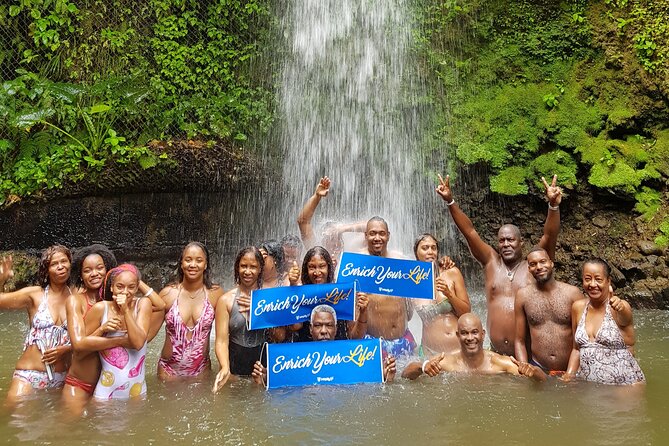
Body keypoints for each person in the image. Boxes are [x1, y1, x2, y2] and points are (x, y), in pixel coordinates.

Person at [435, 174, 562, 355]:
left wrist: (553, 206)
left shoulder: (533, 266)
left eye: (510, 240)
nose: (506, 244)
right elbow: (469, 232)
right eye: (501, 240)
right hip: (494, 353)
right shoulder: (491, 263)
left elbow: (549, 236)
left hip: (527, 353)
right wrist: (450, 201)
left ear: (521, 243)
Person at [252, 304, 397, 385]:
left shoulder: (354, 356)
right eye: (318, 325)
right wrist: (263, 381)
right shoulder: (292, 359)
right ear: (310, 329)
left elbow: (367, 389)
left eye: (328, 325)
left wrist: (384, 377)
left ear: (335, 329)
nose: (323, 331)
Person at [0, 246, 73, 405]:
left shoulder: (77, 297)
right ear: (46, 270)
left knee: (51, 426)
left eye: (64, 261)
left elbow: (87, 336)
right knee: (13, 416)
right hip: (28, 373)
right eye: (54, 264)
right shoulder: (35, 294)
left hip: (61, 378)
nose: (60, 266)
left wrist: (67, 348)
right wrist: (2, 279)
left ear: (70, 263)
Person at [63, 245, 126, 414]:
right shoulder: (75, 301)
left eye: (100, 268)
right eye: (87, 270)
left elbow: (157, 307)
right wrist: (103, 329)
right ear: (81, 275)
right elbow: (78, 345)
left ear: (108, 271)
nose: (95, 274)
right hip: (80, 384)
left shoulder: (116, 301)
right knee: (65, 432)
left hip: (108, 388)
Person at [562, 259, 645, 385]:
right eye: (587, 278)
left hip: (625, 385)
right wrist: (569, 374)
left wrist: (620, 308)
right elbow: (576, 349)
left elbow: (624, 318)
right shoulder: (578, 307)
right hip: (590, 386)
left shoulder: (619, 307)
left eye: (598, 279)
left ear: (608, 281)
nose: (592, 284)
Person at [403, 313, 546, 382]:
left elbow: (542, 380)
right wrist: (423, 367)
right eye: (464, 333)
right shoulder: (446, 361)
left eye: (474, 332)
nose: (470, 338)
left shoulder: (499, 363)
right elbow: (405, 375)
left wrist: (533, 372)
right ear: (458, 336)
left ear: (483, 334)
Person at [155, 242, 225, 382]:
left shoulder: (215, 294)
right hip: (169, 371)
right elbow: (146, 335)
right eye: (188, 260)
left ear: (206, 265)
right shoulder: (168, 294)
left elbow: (228, 330)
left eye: (199, 260)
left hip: (201, 371)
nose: (193, 264)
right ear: (181, 264)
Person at [271, 246, 369, 343]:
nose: (317, 272)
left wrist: (363, 312)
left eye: (322, 266)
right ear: (306, 270)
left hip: (338, 353)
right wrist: (293, 286)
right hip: (306, 353)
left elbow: (356, 337)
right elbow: (296, 325)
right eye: (312, 267)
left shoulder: (342, 293)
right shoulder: (300, 293)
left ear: (329, 267)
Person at [85, 264, 152, 399]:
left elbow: (138, 342)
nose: (125, 292)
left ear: (137, 288)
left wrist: (125, 310)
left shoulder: (143, 304)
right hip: (105, 394)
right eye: (119, 287)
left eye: (131, 287)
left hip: (137, 393)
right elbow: (81, 347)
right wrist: (102, 329)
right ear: (111, 287)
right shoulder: (100, 309)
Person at [514, 247, 583, 373]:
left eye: (543, 261)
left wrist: (571, 373)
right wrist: (523, 368)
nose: (538, 267)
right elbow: (519, 340)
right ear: (529, 269)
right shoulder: (522, 296)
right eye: (533, 264)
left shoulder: (573, 294)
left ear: (551, 263)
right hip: (538, 367)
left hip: (570, 368)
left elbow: (583, 338)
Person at [358, 217, 416, 359]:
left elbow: (409, 312)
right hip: (373, 344)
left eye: (382, 233)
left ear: (388, 235)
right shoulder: (356, 264)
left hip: (404, 339)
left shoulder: (400, 261)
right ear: (365, 235)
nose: (377, 238)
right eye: (372, 233)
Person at [412, 233, 471, 355]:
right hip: (429, 351)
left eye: (433, 248)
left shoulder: (451, 272)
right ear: (416, 253)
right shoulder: (411, 280)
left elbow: (466, 313)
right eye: (425, 248)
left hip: (457, 350)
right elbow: (406, 316)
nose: (430, 252)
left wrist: (449, 295)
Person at [214, 246, 265, 385]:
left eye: (253, 267)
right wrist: (225, 367)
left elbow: (280, 336)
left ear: (260, 269)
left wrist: (259, 312)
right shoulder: (225, 300)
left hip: (261, 370)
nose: (247, 271)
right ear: (237, 267)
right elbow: (221, 341)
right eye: (243, 266)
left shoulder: (269, 301)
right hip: (233, 370)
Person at [296, 176, 366, 263]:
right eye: (331, 239)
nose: (335, 243)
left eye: (338, 238)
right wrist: (316, 196)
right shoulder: (317, 253)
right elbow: (303, 222)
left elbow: (372, 227)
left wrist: (342, 229)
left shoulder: (350, 254)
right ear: (323, 240)